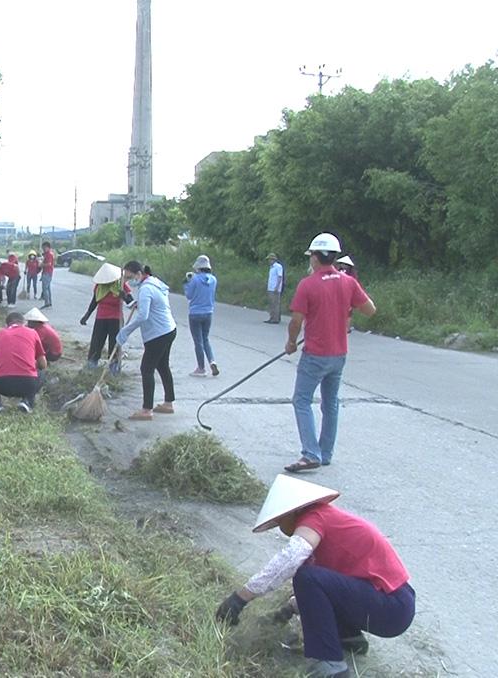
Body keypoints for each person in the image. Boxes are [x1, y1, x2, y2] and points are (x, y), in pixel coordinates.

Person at [215, 474, 415, 678]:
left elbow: (289, 561)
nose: (280, 527)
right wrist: (289, 608)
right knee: (312, 580)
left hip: (391, 606)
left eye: (279, 520)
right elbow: (334, 589)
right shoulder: (328, 519)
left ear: (290, 512)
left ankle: (330, 665)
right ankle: (347, 637)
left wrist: (240, 598)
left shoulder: (314, 518)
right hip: (394, 604)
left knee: (307, 577)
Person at [284, 233, 376, 473]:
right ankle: (325, 453)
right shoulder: (348, 282)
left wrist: (291, 343)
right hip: (339, 354)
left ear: (315, 257)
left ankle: (310, 453)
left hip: (315, 354)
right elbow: (370, 309)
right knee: (330, 403)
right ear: (334, 257)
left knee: (301, 400)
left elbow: (295, 321)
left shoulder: (308, 284)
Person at [116, 261, 177, 420]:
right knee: (162, 366)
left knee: (146, 368)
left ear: (138, 274)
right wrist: (129, 301)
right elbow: (146, 306)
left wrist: (125, 331)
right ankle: (168, 403)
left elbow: (143, 315)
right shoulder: (154, 282)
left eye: (129, 277)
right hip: (168, 329)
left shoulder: (146, 289)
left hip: (158, 334)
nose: (129, 281)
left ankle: (147, 409)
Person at [0, 312, 47, 413]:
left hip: (2, 386)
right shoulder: (32, 333)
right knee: (42, 371)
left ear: (7, 325)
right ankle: (28, 401)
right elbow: (43, 364)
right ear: (24, 323)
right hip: (28, 385)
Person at [79, 262, 132, 373]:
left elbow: (131, 302)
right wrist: (86, 315)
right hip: (101, 318)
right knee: (96, 343)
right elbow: (94, 302)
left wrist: (125, 296)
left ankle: (114, 369)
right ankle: (91, 366)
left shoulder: (121, 285)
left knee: (114, 344)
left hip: (115, 318)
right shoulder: (100, 286)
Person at [183, 254, 219, 377]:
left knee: (198, 341)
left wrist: (186, 283)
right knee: (206, 338)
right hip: (208, 312)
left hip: (195, 313)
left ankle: (201, 368)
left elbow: (189, 295)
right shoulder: (213, 280)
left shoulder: (194, 279)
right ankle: (212, 361)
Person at [265, 252, 284, 323]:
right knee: (271, 304)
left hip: (275, 288)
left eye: (269, 260)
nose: (269, 261)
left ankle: (275, 319)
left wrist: (277, 286)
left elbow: (280, 277)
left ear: (273, 260)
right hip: (270, 288)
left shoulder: (278, 266)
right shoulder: (271, 267)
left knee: (275, 303)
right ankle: (272, 317)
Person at [40, 241, 55, 308]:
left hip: (47, 272)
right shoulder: (47, 254)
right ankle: (49, 302)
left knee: (45, 288)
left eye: (44, 247)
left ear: (48, 247)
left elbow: (49, 264)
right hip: (47, 272)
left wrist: (41, 264)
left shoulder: (49, 254)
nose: (43, 249)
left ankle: (47, 303)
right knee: (48, 288)